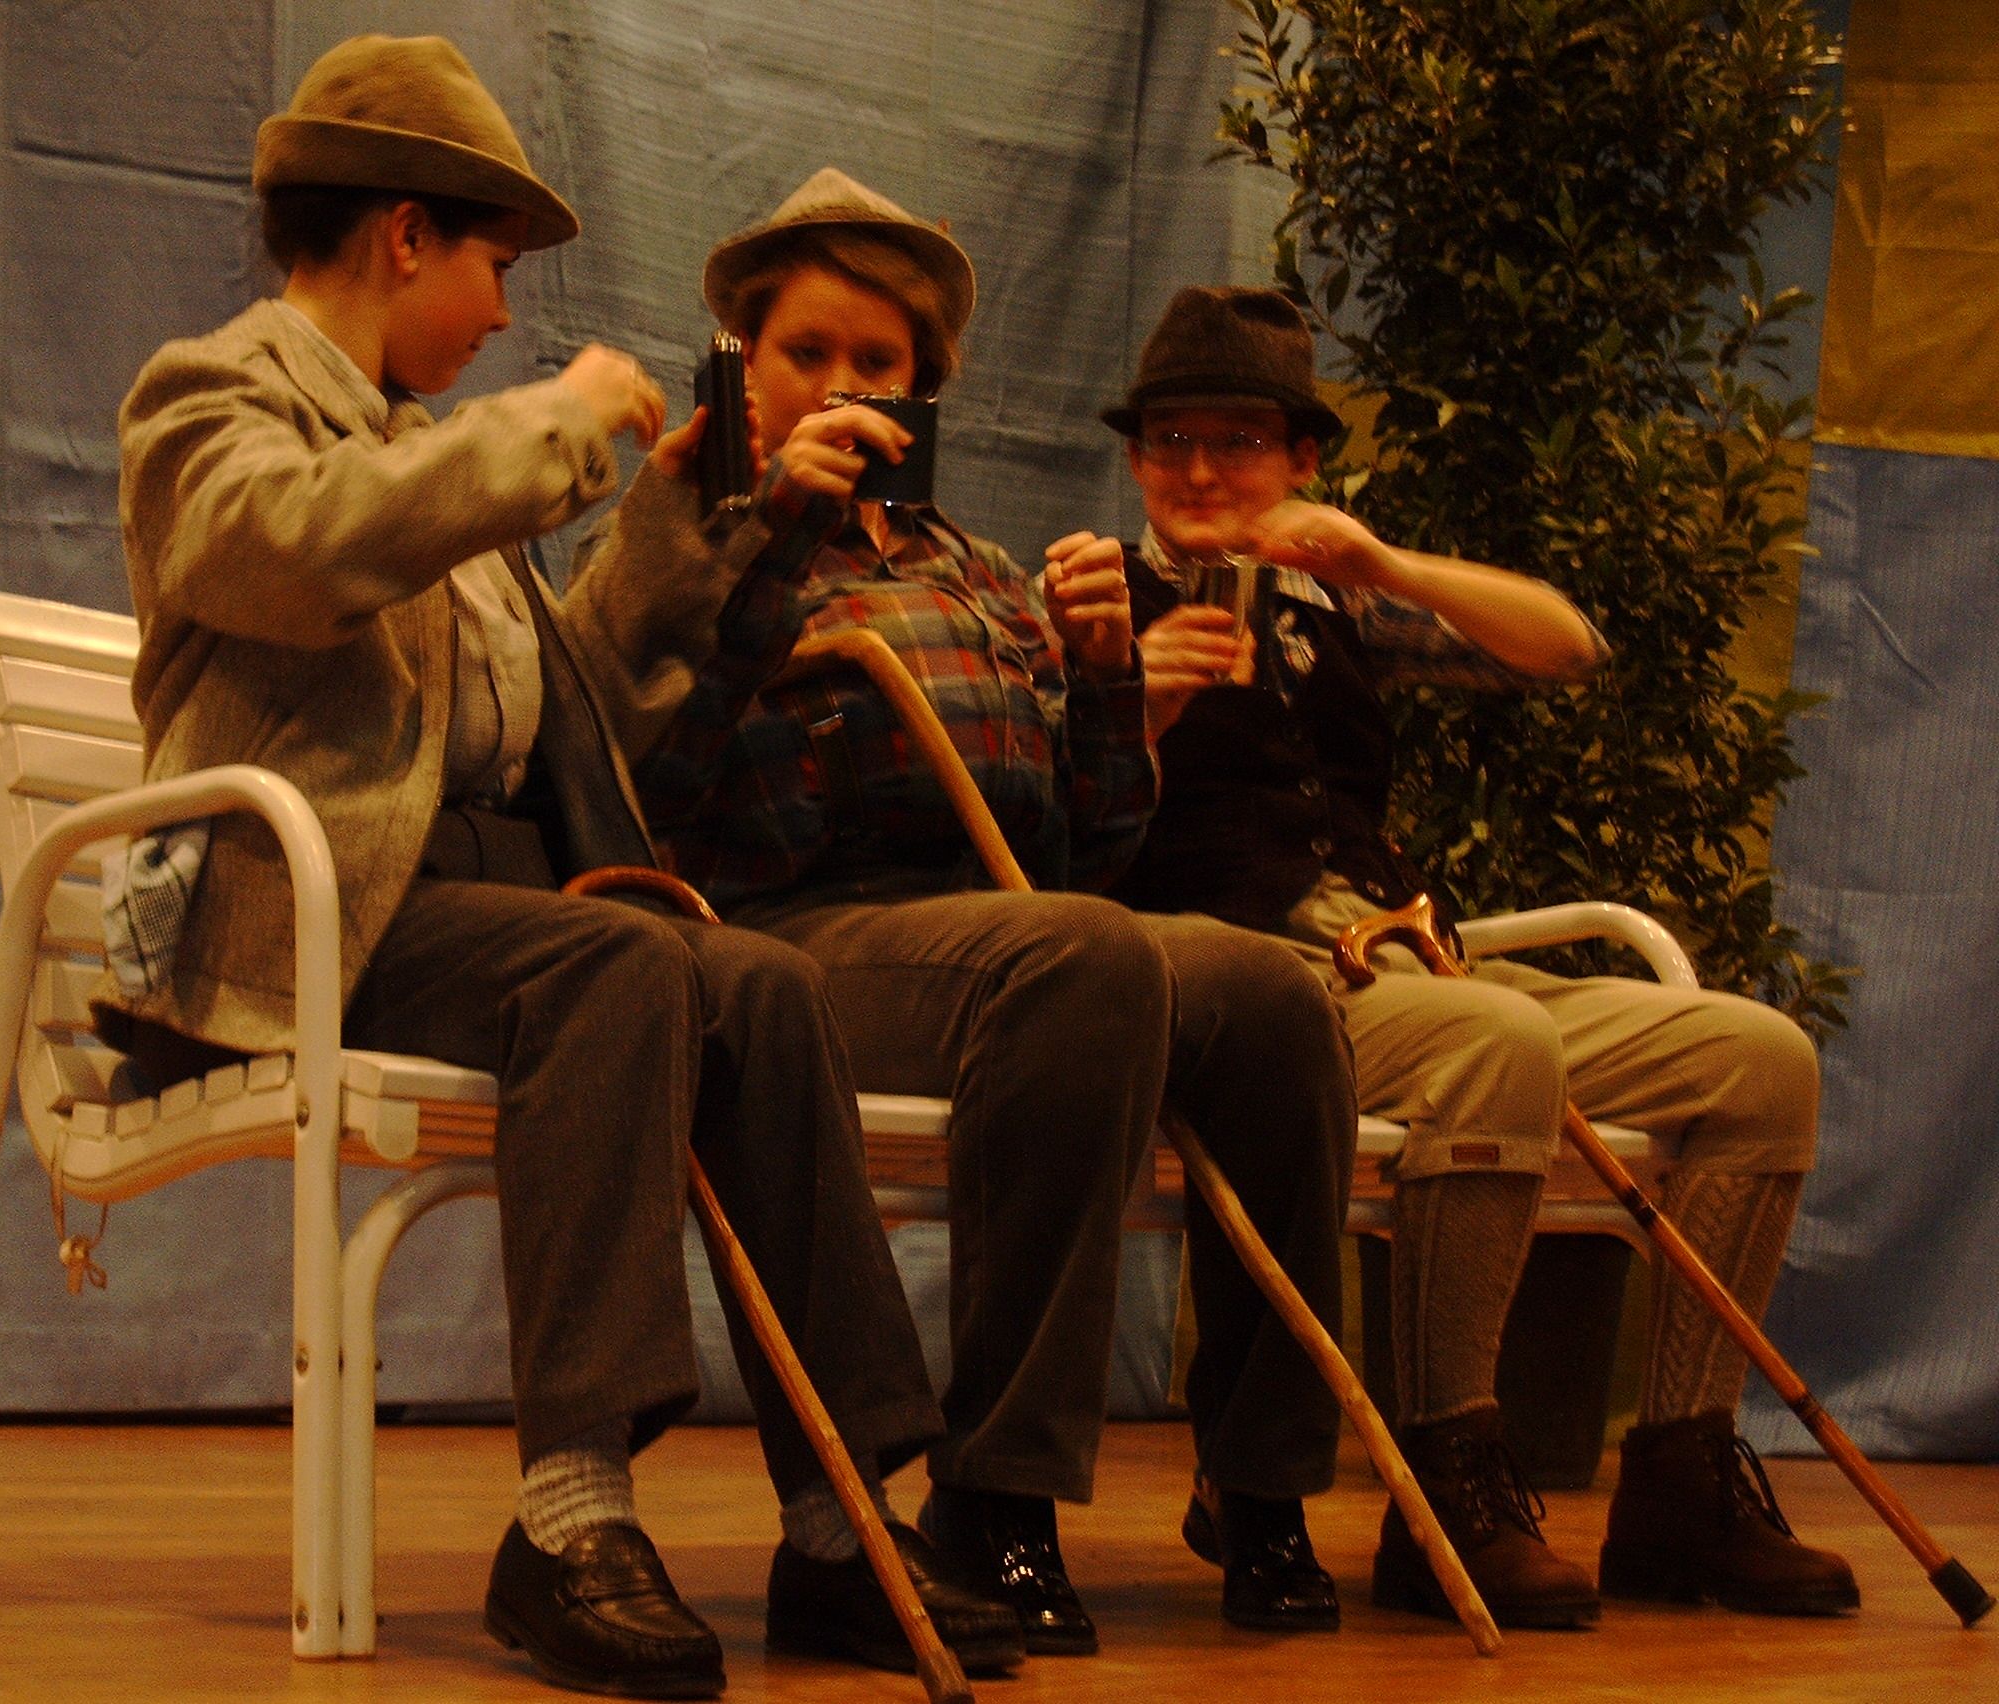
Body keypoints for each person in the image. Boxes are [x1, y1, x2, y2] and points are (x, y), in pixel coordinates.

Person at [96, 39, 1020, 1698]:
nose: (502, 315)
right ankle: (570, 1515)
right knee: (622, 964)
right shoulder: (211, 396)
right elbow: (289, 547)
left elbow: (571, 705)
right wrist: (549, 424)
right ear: (407, 236)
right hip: (311, 906)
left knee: (761, 984)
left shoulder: (423, 449)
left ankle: (841, 1528)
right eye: (496, 266)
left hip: (476, 902)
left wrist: (677, 520)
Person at [621, 169, 1359, 1655]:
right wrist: (775, 534)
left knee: (1272, 993)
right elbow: (645, 779)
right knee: (1077, 958)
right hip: (788, 937)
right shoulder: (685, 543)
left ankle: (1262, 1486)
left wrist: (1103, 676)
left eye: (878, 362)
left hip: (1008, 934)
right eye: (808, 353)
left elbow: (1089, 848)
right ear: (741, 372)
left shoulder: (976, 570)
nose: (844, 385)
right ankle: (996, 1492)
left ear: (923, 389)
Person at [1093, 283, 1857, 1628]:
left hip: (1413, 957)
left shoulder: (1339, 601)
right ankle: (1448, 1483)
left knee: (1763, 1060)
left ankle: (1682, 1483)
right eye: (1171, 441)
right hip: (1245, 982)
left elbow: (1567, 645)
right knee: (1496, 1041)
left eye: (1241, 441)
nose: (1201, 471)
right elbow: (1049, 822)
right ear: (1139, 457)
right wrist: (1129, 695)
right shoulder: (1093, 597)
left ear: (1302, 458)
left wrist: (1383, 564)